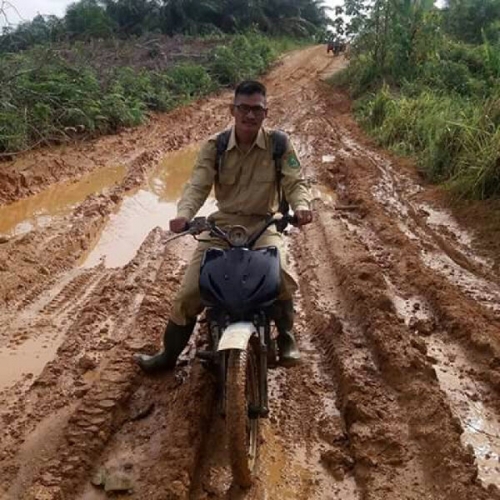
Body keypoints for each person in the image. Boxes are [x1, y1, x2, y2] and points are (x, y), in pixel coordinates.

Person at [135, 80, 313, 373]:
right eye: (243, 108)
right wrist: (184, 214)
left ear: (266, 113)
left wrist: (301, 206)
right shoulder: (215, 146)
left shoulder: (279, 144)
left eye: (257, 109)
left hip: (263, 224)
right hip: (222, 226)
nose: (250, 115)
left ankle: (286, 338)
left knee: (279, 274)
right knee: (190, 291)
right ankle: (168, 355)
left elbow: (295, 181)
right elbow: (197, 184)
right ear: (233, 110)